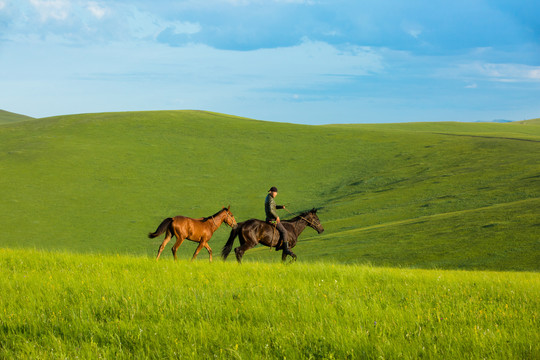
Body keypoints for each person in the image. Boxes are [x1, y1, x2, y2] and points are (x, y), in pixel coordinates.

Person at [265, 186, 292, 255]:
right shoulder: (270, 199)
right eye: (275, 192)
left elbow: (273, 207)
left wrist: (281, 207)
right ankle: (286, 249)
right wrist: (276, 217)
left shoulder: (269, 198)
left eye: (276, 193)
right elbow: (271, 210)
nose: (276, 194)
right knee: (284, 231)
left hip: (268, 218)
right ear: (271, 192)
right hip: (272, 220)